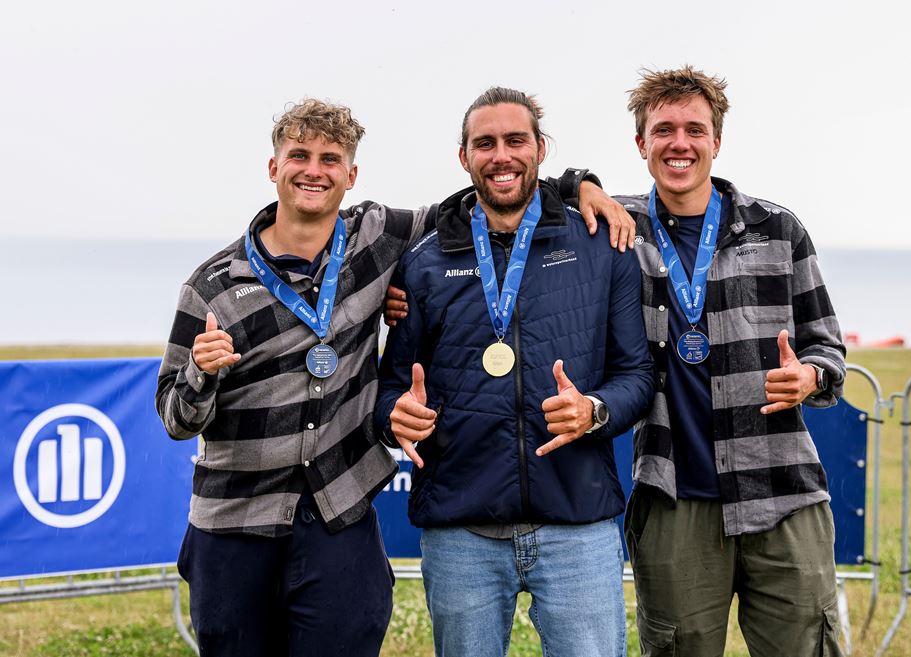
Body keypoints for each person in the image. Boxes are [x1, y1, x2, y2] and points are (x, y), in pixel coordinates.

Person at [156, 97, 634, 657]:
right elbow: (174, 417)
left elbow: (499, 192)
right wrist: (200, 372)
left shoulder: (378, 238)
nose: (315, 170)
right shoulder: (212, 284)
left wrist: (580, 183)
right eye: (300, 156)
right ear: (273, 167)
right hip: (237, 521)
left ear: (351, 174)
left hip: (338, 510)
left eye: (331, 159)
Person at [373, 87, 654, 657]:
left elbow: (637, 375)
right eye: (485, 143)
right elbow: (391, 387)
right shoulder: (423, 262)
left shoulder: (603, 244)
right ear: (464, 157)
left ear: (541, 150)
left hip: (579, 524)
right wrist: (394, 416)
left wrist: (594, 411)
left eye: (515, 140)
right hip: (461, 531)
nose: (501, 155)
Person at [590, 66, 847, 656]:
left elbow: (826, 344)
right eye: (664, 130)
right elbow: (526, 190)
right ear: (641, 144)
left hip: (782, 493)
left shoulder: (778, 230)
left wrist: (810, 375)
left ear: (717, 141)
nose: (680, 143)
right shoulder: (613, 231)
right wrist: (582, 183)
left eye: (694, 129)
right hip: (675, 499)